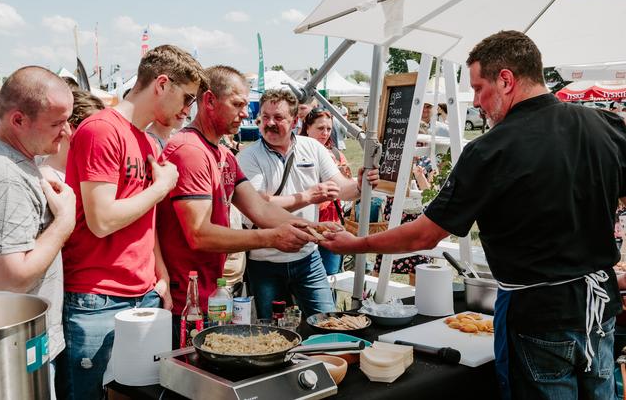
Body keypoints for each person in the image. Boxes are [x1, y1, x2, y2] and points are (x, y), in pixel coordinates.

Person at [321, 30, 626, 400]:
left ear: (507, 80)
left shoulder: (491, 149)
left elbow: (424, 236)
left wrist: (358, 244)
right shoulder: (606, 126)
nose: (477, 101)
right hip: (600, 310)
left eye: (480, 88)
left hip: (538, 316)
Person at [58, 45, 205, 399]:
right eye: (186, 99)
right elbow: (102, 220)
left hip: (143, 294)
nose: (187, 111)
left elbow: (144, 221)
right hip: (98, 297)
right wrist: (162, 187)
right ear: (162, 84)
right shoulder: (101, 129)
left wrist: (161, 275)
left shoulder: (148, 142)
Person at [156, 66, 319, 344]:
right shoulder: (190, 151)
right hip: (185, 302)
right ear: (209, 101)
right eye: (238, 104)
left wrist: (315, 228)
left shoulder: (223, 154)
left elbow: (261, 209)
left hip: (211, 294)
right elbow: (199, 234)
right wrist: (270, 238)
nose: (246, 113)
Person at [0, 66, 76, 393]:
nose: (66, 132)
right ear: (18, 120)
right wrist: (64, 223)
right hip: (8, 352)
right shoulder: (3, 177)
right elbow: (10, 279)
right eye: (56, 123)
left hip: (2, 344)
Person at [237, 89, 379, 319]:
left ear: (295, 121)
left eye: (278, 117)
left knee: (328, 322)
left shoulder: (312, 148)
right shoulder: (248, 156)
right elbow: (257, 206)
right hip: (265, 262)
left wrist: (360, 185)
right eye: (265, 117)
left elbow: (341, 188)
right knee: (272, 333)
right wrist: (307, 197)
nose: (270, 123)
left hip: (308, 259)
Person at [300, 107, 351, 275]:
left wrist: (344, 177)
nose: (325, 133)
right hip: (306, 225)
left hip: (331, 224)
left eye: (329, 129)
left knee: (331, 276)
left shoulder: (336, 155)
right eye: (320, 128)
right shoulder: (296, 154)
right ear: (308, 128)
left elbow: (346, 188)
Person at [40, 90, 104, 181]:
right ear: (68, 127)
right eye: (95, 127)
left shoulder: (91, 168)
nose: (104, 135)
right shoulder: (48, 177)